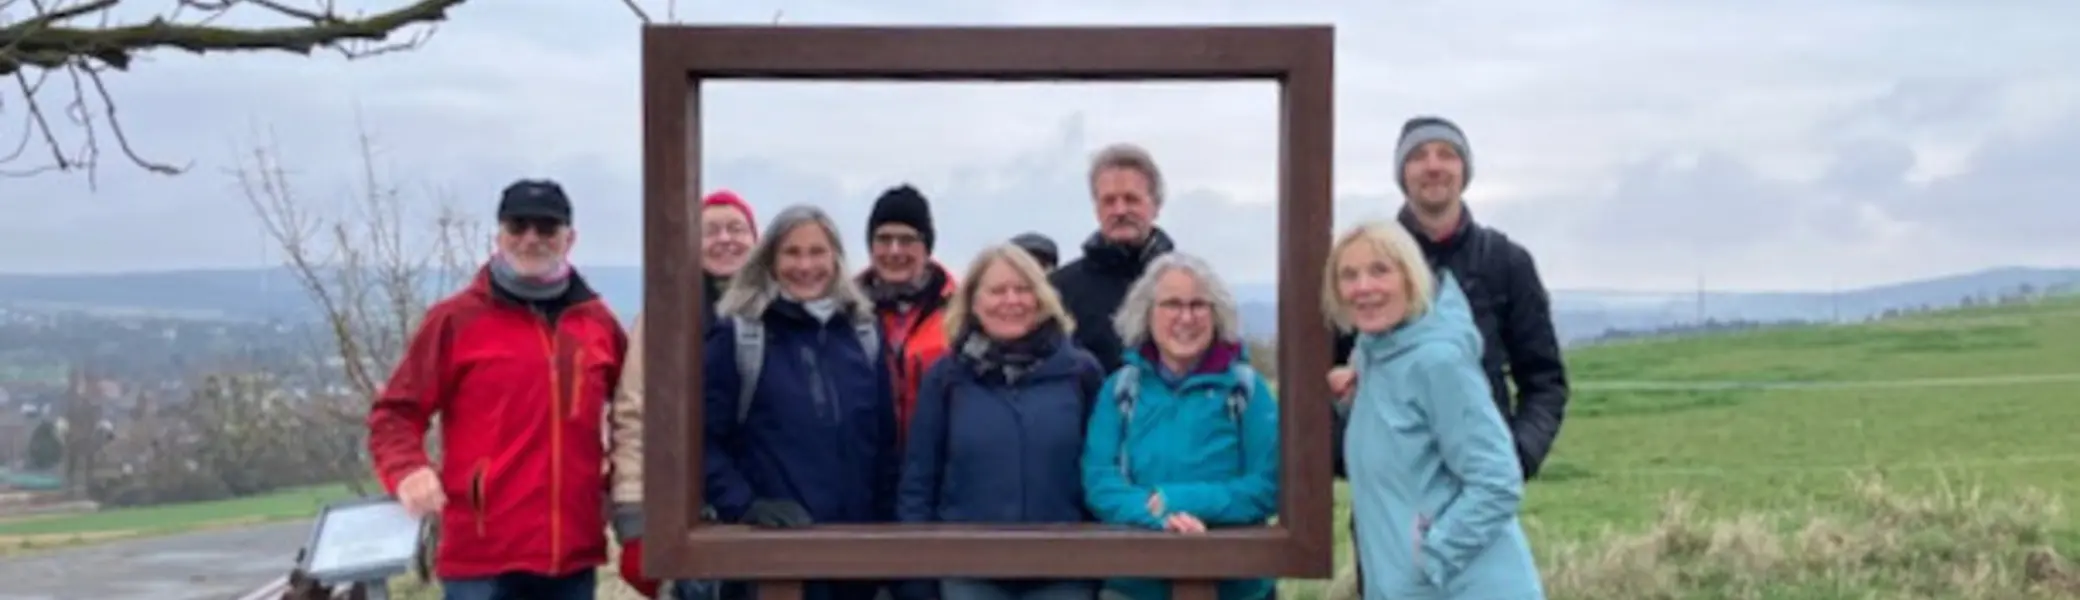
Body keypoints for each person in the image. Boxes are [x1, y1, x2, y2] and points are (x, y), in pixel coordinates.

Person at [366, 179, 627, 600]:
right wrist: (407, 469)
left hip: (572, 554)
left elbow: (638, 412)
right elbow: (395, 412)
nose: (531, 239)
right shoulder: (455, 320)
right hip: (481, 559)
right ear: (499, 235)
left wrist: (618, 484)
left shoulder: (597, 323)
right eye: (518, 226)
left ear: (570, 238)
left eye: (546, 228)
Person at [1328, 116, 1569, 481]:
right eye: (1418, 156)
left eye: (1447, 154)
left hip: (1477, 482)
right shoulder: (1363, 263)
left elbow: (1544, 380)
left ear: (1464, 170)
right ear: (1402, 173)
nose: (1433, 166)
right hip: (1389, 486)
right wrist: (1351, 456)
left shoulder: (1505, 262)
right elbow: (1318, 375)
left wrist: (1515, 458)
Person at [1325, 221, 1543, 600]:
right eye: (1349, 275)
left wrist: (1432, 557)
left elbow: (1497, 480)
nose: (1363, 287)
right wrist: (1348, 406)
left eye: (1380, 270)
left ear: (1411, 279)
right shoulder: (1373, 358)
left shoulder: (1438, 362)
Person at [705, 204, 901, 600]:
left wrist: (887, 539)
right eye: (792, 253)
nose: (805, 265)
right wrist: (745, 505)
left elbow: (883, 442)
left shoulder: (863, 334)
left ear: (836, 258)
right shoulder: (741, 335)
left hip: (854, 560)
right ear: (770, 260)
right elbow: (701, 439)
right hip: (771, 558)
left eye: (817, 252)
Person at [895, 243, 1106, 600]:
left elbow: (1101, 468)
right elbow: (919, 479)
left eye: (1023, 289)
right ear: (973, 301)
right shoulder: (946, 378)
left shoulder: (1080, 372)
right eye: (997, 290)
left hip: (1064, 569)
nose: (1011, 300)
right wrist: (916, 574)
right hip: (967, 570)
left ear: (1042, 298)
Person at [1081, 253, 1279, 600]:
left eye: (1198, 304)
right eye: (1172, 304)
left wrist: (1177, 500)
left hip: (1234, 587)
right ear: (1147, 313)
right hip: (1134, 586)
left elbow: (1268, 485)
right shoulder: (1121, 389)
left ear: (1216, 314)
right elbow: (1099, 481)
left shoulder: (1245, 389)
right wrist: (1158, 517)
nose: (1186, 317)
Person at [610, 189, 759, 599]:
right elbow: (634, 413)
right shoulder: (664, 315)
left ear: (755, 239)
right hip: (685, 513)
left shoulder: (778, 310)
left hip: (766, 511)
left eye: (736, 229)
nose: (725, 239)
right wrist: (634, 516)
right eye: (710, 231)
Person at [1051, 143, 1177, 373]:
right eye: (1109, 201)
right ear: (1096, 209)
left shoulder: (1188, 286)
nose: (1120, 211)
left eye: (1131, 199)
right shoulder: (1059, 291)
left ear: (1156, 206)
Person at [857, 184, 957, 441]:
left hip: (939, 457)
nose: (894, 251)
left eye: (907, 240)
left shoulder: (962, 312)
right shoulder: (844, 312)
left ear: (927, 247)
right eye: (884, 239)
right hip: (864, 457)